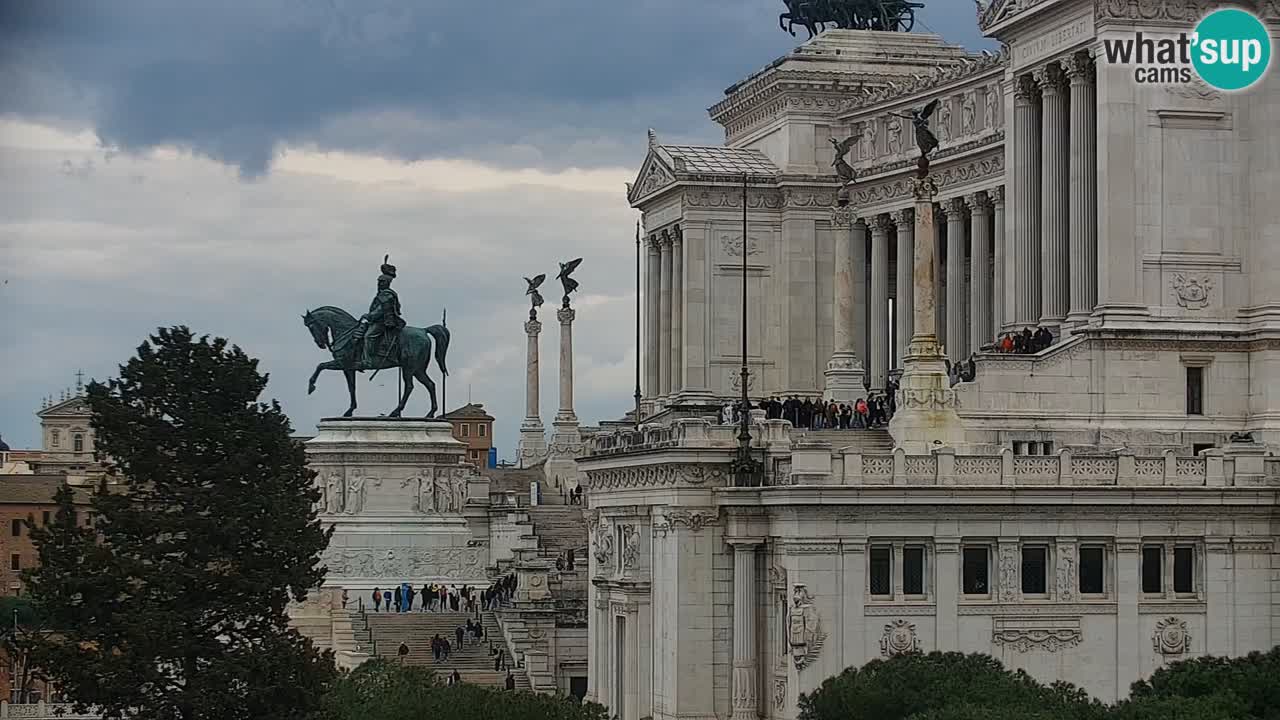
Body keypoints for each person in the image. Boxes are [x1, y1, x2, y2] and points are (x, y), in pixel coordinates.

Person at [354, 255, 406, 370]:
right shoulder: (382, 293)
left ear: (387, 282)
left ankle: (367, 361)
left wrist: (369, 315)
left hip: (384, 322)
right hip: (376, 321)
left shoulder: (386, 294)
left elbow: (381, 311)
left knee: (368, 336)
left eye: (382, 282)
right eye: (379, 281)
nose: (379, 284)